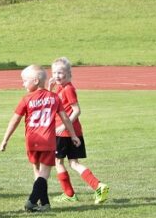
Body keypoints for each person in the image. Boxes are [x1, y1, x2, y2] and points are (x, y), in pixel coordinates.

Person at [0, 65, 81, 212]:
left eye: (25, 81)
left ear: (36, 81)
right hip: (47, 141)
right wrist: (73, 135)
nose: (22, 83)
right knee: (44, 174)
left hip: (31, 140)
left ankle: (44, 204)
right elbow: (66, 119)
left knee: (37, 171)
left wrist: (5, 139)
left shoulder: (26, 99)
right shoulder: (54, 97)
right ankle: (32, 201)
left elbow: (14, 120)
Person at [48, 57, 111, 204]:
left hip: (64, 133)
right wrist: (50, 89)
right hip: (73, 132)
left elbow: (77, 110)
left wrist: (64, 125)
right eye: (54, 72)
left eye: (60, 73)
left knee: (58, 162)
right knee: (74, 163)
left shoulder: (68, 89)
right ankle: (98, 186)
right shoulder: (61, 88)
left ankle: (69, 194)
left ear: (69, 74)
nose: (57, 76)